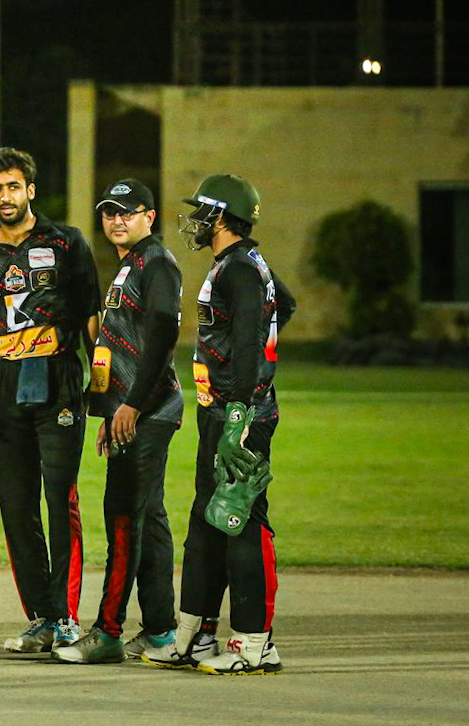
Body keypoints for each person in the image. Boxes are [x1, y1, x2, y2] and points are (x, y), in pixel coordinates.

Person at [143, 173, 295, 675]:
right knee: (206, 524)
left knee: (240, 519)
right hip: (221, 412)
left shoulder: (241, 270)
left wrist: (240, 413)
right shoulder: (239, 264)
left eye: (203, 211)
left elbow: (251, 340)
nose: (196, 220)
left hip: (240, 416)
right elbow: (283, 308)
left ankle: (255, 644)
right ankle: (196, 636)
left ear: (223, 216)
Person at [0, 147, 100, 654]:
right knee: (16, 508)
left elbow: (90, 314)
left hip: (58, 380)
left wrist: (102, 384)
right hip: (4, 388)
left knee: (60, 500)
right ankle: (41, 617)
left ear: (31, 191)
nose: (6, 196)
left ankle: (67, 617)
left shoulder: (66, 242)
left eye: (13, 187)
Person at [53, 179, 183, 665]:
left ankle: (108, 631)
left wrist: (132, 404)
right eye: (110, 212)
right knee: (150, 520)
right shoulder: (133, 264)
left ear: (150, 216)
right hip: (131, 412)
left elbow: (163, 333)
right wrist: (110, 410)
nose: (117, 220)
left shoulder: (157, 263)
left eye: (127, 212)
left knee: (124, 518)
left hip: (147, 412)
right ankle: (161, 632)